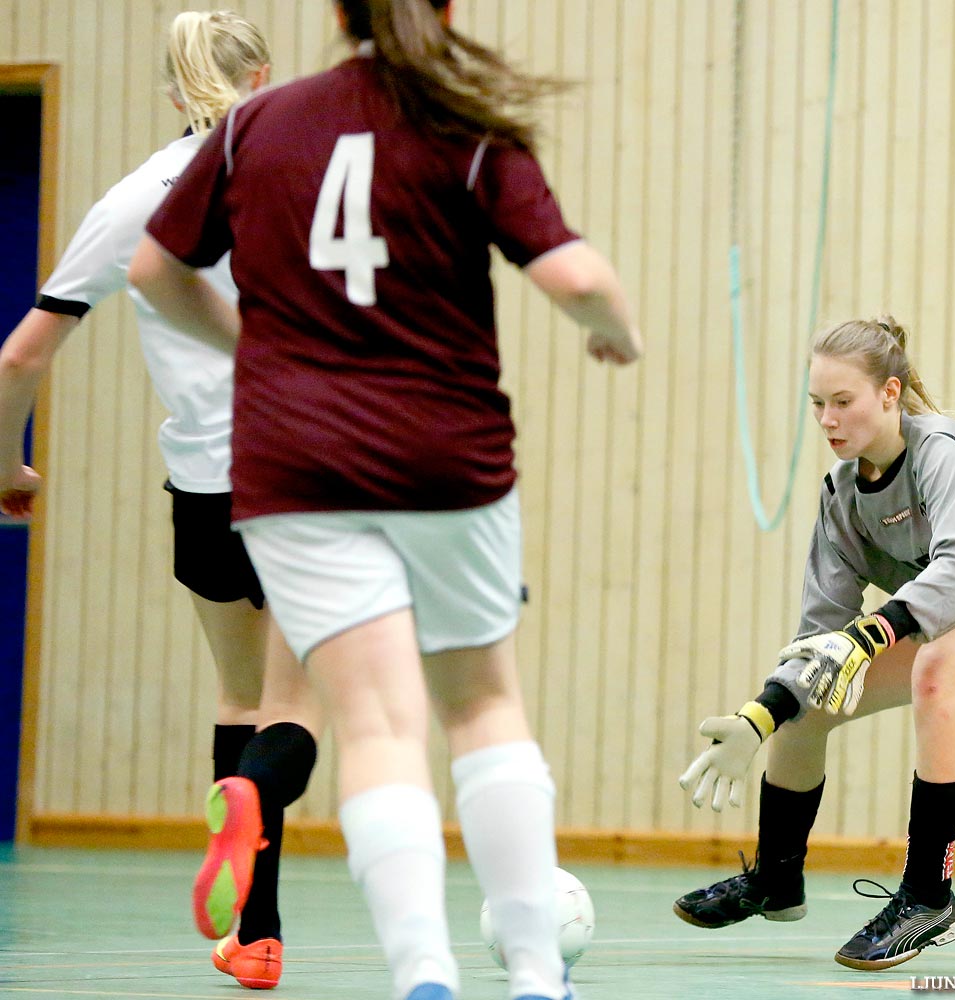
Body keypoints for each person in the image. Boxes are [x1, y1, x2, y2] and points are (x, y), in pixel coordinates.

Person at [127, 1, 642, 998]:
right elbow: (573, 275)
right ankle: (536, 975)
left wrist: (261, 348)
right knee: (483, 705)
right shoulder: (464, 121)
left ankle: (421, 976)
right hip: (443, 456)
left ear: (337, 12)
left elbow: (154, 269)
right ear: (447, 9)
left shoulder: (252, 125)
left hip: (294, 471)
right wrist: (613, 326)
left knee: (370, 725)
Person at [0, 11, 322, 990]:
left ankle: (253, 936)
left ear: (174, 91)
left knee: (237, 696)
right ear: (263, 74)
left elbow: (21, 352)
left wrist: (7, 466)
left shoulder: (139, 195)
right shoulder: (317, 175)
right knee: (294, 714)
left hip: (203, 481)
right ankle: (254, 833)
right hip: (310, 471)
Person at [676, 316, 955, 971]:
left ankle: (927, 895)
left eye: (842, 402)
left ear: (888, 394)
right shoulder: (839, 497)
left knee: (938, 667)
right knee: (811, 701)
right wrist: (762, 714)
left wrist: (869, 635)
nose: (827, 420)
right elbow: (820, 635)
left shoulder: (945, 453)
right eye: (816, 406)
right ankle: (775, 878)